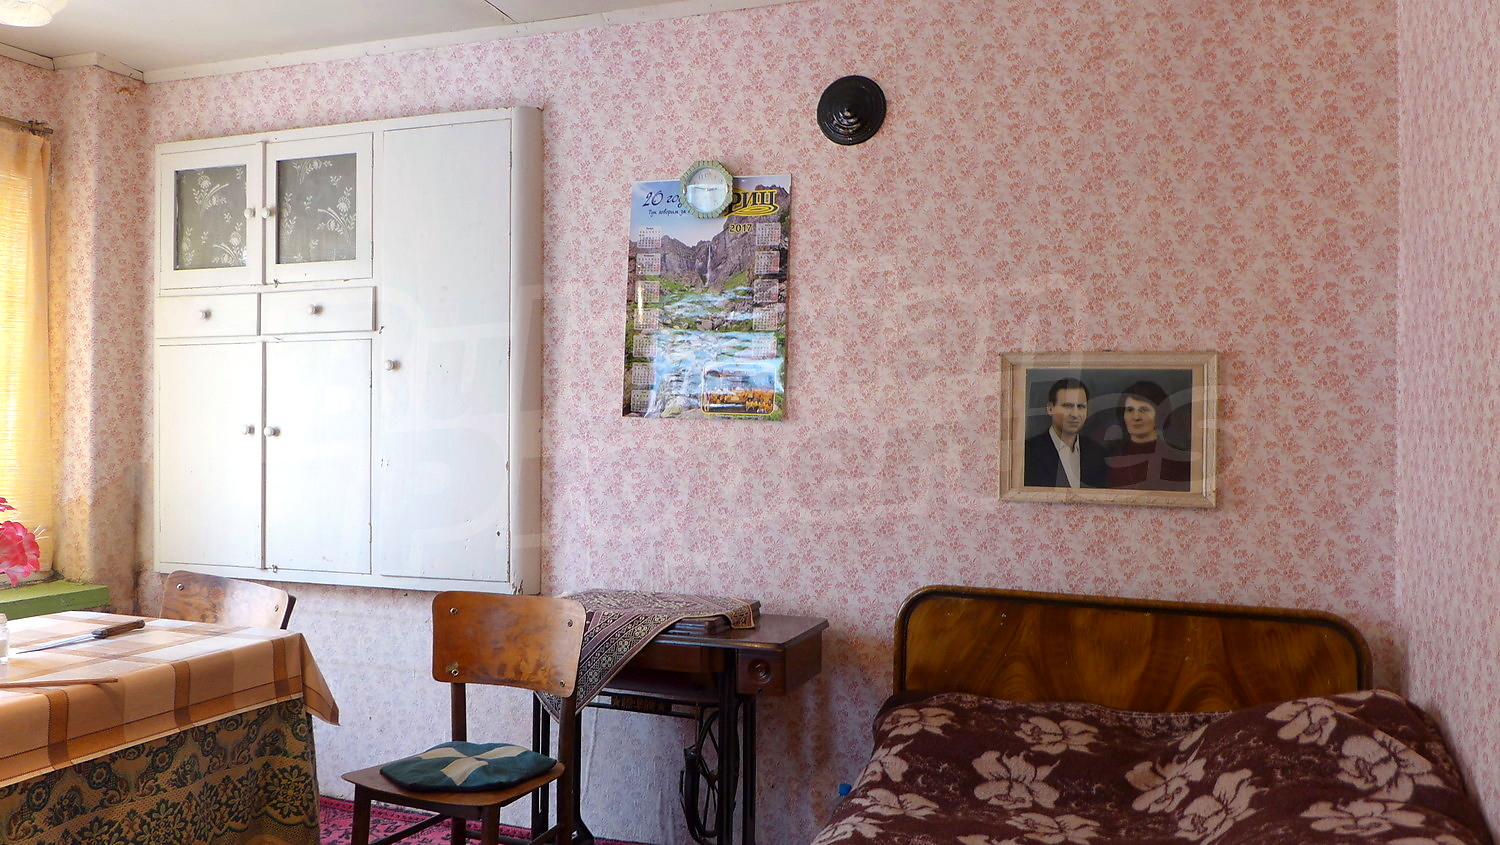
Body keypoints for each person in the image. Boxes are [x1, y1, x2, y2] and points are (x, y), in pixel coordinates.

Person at [1103, 380, 1192, 491]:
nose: (1136, 417)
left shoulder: (1177, 459)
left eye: (1144, 410)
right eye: (1130, 410)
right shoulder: (1112, 457)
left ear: (1159, 414)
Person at [1023, 377, 1106, 488]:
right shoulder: (1028, 452)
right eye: (1067, 406)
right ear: (1050, 408)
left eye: (1081, 406)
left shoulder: (1097, 453)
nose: (1075, 414)